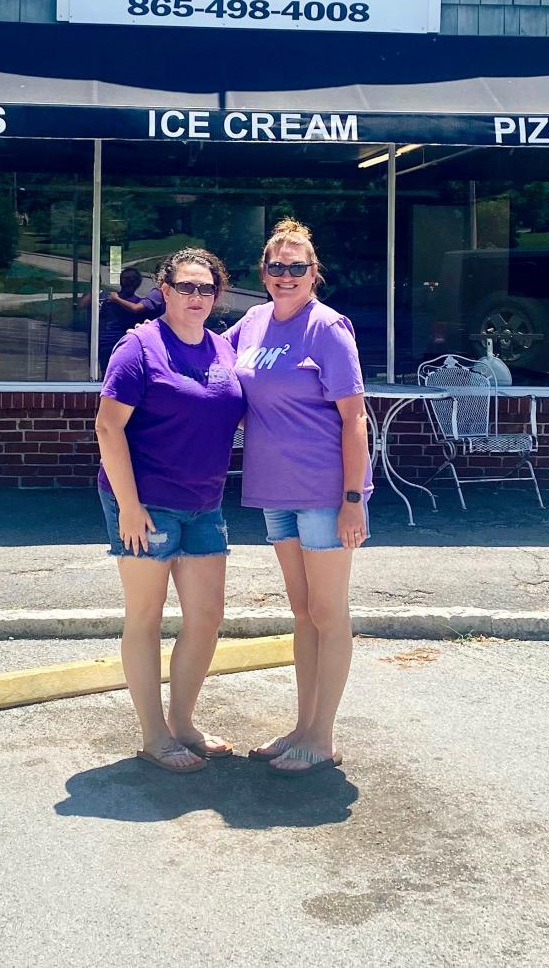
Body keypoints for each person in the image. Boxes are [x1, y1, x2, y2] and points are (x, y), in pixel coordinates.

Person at [226, 218, 369, 777]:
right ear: (264, 272)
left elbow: (355, 417)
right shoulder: (255, 321)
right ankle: (302, 726)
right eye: (276, 267)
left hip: (324, 492)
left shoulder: (328, 328)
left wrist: (353, 498)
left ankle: (323, 735)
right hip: (273, 491)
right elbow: (212, 362)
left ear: (314, 273)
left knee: (330, 613)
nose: (285, 276)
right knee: (303, 613)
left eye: (297, 267)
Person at [94, 247, 243, 773]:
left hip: (205, 505)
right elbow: (107, 427)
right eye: (185, 287)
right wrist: (129, 507)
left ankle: (183, 723)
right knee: (146, 617)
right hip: (146, 504)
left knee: (206, 618)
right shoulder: (139, 348)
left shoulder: (224, 350)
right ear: (165, 290)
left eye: (206, 288)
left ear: (216, 294)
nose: (195, 297)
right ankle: (154, 735)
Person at [89, 266, 164, 373]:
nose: (129, 282)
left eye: (132, 279)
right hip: (109, 342)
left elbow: (136, 310)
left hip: (126, 344)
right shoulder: (111, 300)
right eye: (127, 279)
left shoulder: (120, 301)